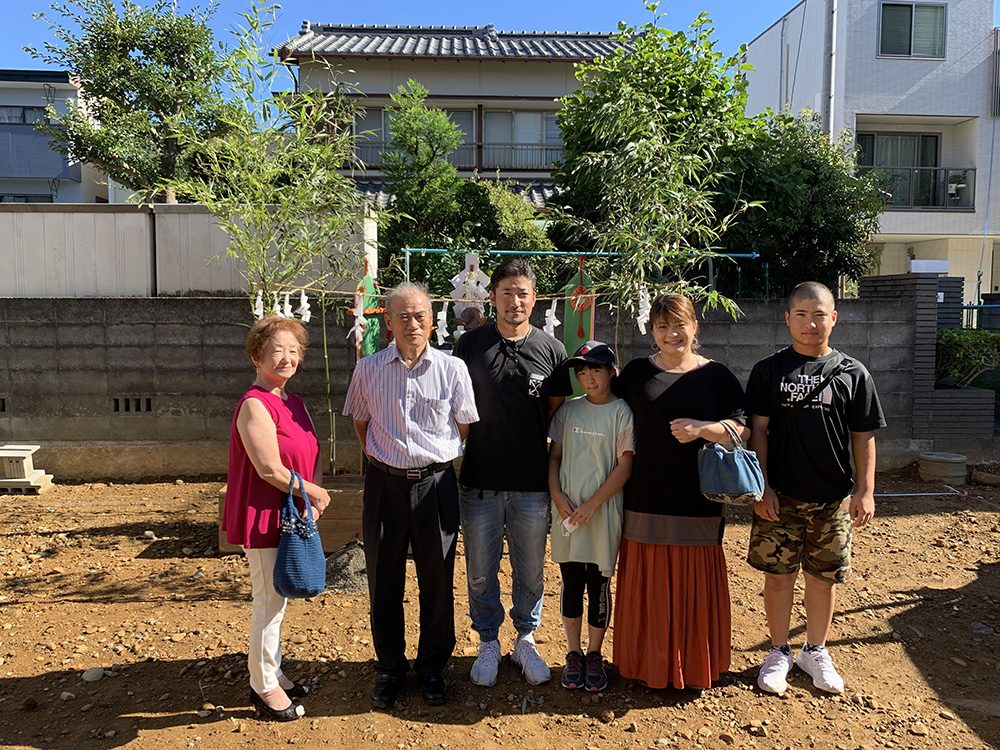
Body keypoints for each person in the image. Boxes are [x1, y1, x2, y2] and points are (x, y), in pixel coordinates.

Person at [343, 282, 479, 709]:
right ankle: (390, 668)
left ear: (433, 319)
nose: (413, 323)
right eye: (402, 315)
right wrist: (387, 461)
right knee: (384, 579)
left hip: (436, 485)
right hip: (384, 484)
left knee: (436, 579)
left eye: (420, 315)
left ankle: (434, 667)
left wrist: (428, 461)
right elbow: (361, 424)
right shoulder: (368, 369)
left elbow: (463, 426)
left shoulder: (453, 369)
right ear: (388, 321)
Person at [747, 281, 885, 696]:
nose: (811, 322)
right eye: (802, 314)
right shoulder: (769, 371)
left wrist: (866, 491)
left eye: (819, 314)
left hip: (832, 499)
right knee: (778, 577)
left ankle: (816, 650)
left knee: (822, 579)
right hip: (780, 497)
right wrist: (762, 487)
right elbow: (758, 432)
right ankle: (778, 651)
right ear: (788, 318)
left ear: (833, 318)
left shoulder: (854, 373)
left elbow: (864, 436)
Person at [611, 293, 748, 692]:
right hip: (644, 498)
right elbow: (606, 411)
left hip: (698, 501)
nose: (672, 334)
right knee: (647, 585)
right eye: (662, 326)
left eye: (679, 325)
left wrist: (703, 428)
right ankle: (644, 664)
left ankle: (692, 667)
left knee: (695, 587)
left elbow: (742, 427)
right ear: (652, 330)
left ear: (695, 327)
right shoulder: (635, 374)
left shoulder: (716, 376)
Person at [452, 257, 573, 687]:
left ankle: (526, 637)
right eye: (506, 293)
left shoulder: (551, 351)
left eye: (522, 293)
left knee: (530, 568)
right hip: (480, 479)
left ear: (534, 299)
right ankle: (487, 640)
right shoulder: (470, 345)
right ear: (493, 297)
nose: (515, 301)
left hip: (531, 484)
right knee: (480, 565)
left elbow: (554, 415)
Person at [223, 314, 331, 722]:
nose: (285, 358)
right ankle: (263, 684)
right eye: (276, 351)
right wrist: (314, 493)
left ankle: (273, 670)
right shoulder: (255, 404)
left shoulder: (293, 402)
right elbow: (268, 468)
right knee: (268, 602)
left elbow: (311, 454)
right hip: (266, 512)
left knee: (278, 601)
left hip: (292, 509)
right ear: (256, 356)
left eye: (292, 351)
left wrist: (311, 497)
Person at [547, 341, 633, 692]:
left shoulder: (622, 412)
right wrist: (556, 494)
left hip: (603, 513)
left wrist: (594, 503)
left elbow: (626, 465)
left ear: (612, 371)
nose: (588, 376)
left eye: (596, 369)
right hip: (566, 512)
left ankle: (594, 653)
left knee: (598, 584)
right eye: (581, 371)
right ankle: (573, 652)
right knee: (571, 582)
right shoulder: (568, 411)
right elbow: (554, 457)